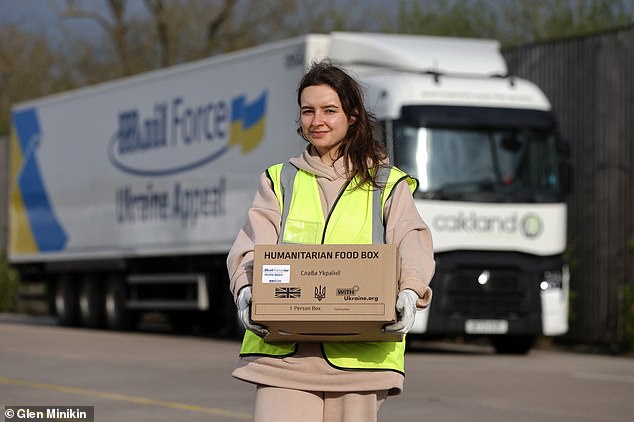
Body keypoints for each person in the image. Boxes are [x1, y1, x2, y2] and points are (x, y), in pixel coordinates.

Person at [226, 60, 435, 422]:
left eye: (329, 110)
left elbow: (411, 239)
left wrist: (410, 290)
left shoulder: (387, 183)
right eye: (308, 111)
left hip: (360, 355)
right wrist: (245, 288)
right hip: (284, 355)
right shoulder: (279, 180)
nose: (316, 120)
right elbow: (251, 244)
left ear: (352, 116)